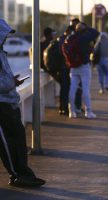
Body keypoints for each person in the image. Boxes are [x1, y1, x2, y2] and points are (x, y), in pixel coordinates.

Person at [0, 19, 45, 187]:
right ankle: (17, 175)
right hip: (2, 105)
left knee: (18, 141)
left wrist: (12, 81)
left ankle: (24, 173)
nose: (5, 39)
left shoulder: (1, 53)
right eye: (3, 35)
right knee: (8, 144)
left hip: (9, 102)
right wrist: (11, 83)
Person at [63, 22, 99, 119]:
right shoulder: (84, 37)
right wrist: (86, 28)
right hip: (84, 66)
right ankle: (88, 112)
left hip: (73, 67)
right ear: (83, 29)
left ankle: (72, 112)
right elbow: (96, 32)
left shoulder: (70, 38)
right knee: (86, 90)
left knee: (72, 89)